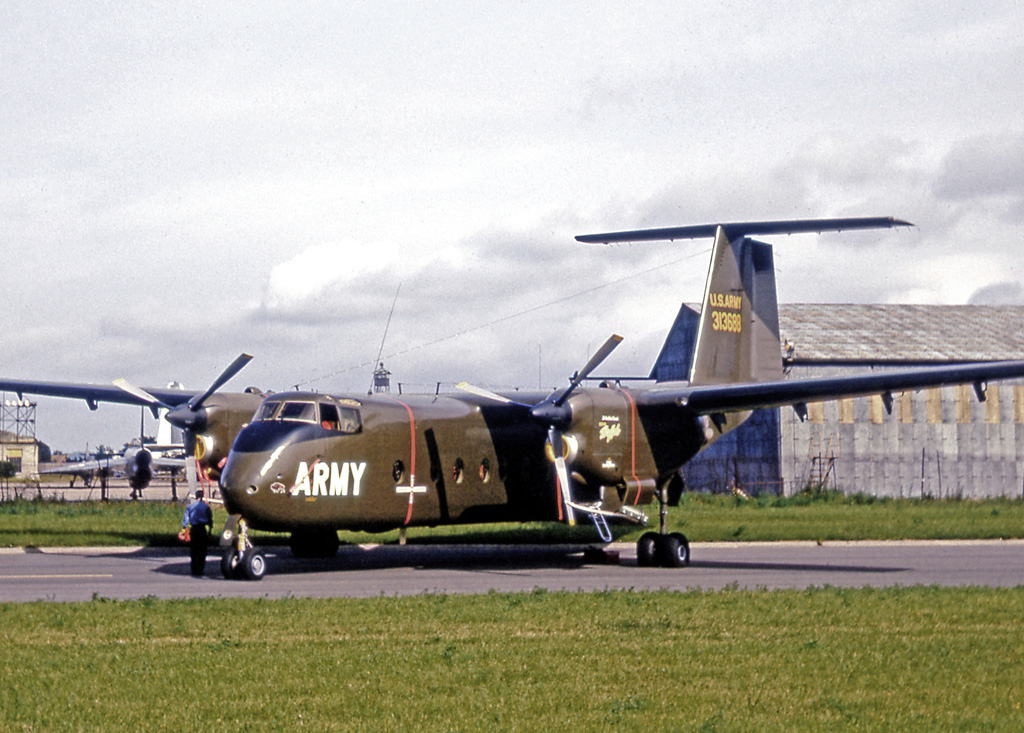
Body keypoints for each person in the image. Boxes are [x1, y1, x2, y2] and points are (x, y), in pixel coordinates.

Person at [182, 490, 213, 576]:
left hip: (194, 529)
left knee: (194, 549)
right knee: (202, 550)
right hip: (202, 529)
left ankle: (194, 568)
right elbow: (210, 519)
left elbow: (186, 519)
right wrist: (210, 529)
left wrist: (184, 528)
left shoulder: (190, 506)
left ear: (195, 496)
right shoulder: (206, 507)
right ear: (202, 496)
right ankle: (200, 568)